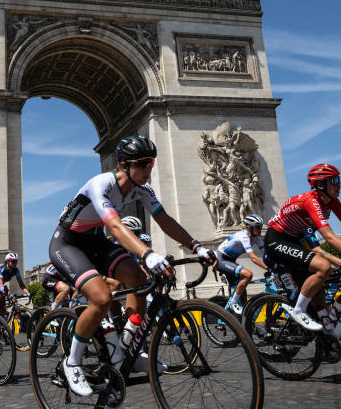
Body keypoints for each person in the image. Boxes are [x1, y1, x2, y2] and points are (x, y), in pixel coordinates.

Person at [49, 134, 216, 397]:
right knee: (102, 299)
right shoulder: (101, 184)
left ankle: (126, 348)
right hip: (68, 243)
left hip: (95, 242)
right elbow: (115, 226)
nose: (148, 169)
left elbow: (165, 220)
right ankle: (72, 362)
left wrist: (196, 245)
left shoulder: (142, 189)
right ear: (124, 164)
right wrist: (148, 253)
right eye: (142, 163)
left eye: (151, 163)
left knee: (139, 280)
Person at [264, 163, 341, 356]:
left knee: (320, 296)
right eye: (335, 181)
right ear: (321, 185)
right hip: (276, 240)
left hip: (295, 242)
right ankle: (298, 311)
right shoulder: (311, 201)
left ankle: (333, 347)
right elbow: (330, 237)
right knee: (323, 267)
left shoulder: (331, 201)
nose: (340, 185)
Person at [215, 214, 268, 315]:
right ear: (250, 228)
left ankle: (247, 319)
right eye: (258, 227)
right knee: (248, 275)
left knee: (243, 294)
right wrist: (268, 268)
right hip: (220, 259)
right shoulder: (244, 236)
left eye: (261, 227)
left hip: (230, 260)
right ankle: (233, 302)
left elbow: (265, 254)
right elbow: (253, 257)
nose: (260, 230)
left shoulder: (256, 237)